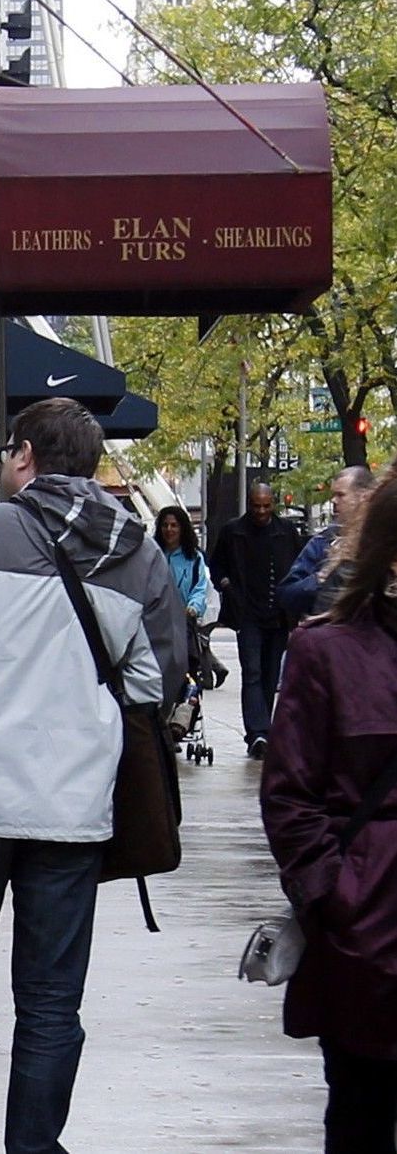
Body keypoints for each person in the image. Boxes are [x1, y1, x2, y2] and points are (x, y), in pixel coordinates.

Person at [0, 398, 187, 1154]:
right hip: (74, 807)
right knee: (50, 999)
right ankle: (33, 1146)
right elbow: (157, 681)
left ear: (23, 457)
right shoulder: (138, 555)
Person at [261, 472, 397, 1153]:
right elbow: (289, 794)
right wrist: (335, 893)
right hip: (365, 935)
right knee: (361, 1114)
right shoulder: (326, 650)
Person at [211, 482, 306, 758]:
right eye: (256, 505)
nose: (261, 511)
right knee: (252, 672)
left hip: (278, 615)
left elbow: (299, 567)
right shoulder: (233, 532)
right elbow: (217, 565)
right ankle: (258, 732)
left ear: (273, 504)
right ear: (249, 503)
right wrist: (228, 586)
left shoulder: (287, 532)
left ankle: (263, 730)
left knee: (270, 674)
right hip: (247, 614)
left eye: (266, 506)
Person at [281, 466, 374, 619]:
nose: (333, 501)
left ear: (363, 497)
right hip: (330, 634)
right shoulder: (322, 541)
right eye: (333, 494)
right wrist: (321, 578)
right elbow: (287, 594)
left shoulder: (383, 540)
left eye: (340, 495)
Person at [155, 505, 214, 687]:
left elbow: (200, 588)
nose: (169, 530)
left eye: (174, 525)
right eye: (165, 525)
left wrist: (193, 608)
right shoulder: (152, 554)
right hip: (156, 623)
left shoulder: (194, 558)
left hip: (183, 624)